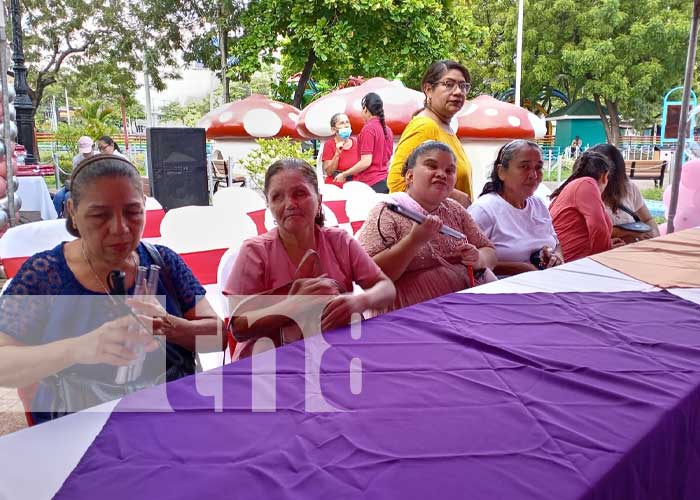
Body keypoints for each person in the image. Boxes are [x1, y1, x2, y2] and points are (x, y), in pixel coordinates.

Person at [0, 155, 222, 424]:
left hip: (170, 423)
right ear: (72, 210)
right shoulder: (45, 274)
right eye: (100, 215)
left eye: (132, 212)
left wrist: (169, 326)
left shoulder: (162, 262)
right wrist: (81, 348)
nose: (120, 229)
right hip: (77, 434)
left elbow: (219, 337)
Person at [224, 158, 395, 360]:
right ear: (269, 205)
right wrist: (296, 305)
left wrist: (359, 302)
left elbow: (386, 288)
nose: (290, 204)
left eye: (300, 193)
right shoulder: (254, 252)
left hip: (333, 357)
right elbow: (238, 327)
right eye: (277, 197)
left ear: (319, 200)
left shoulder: (339, 241)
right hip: (270, 367)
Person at [357, 141, 496, 315]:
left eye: (449, 170)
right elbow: (370, 277)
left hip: (463, 310)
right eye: (431, 166)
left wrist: (478, 259)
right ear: (409, 176)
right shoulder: (388, 211)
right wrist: (413, 241)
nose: (442, 174)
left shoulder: (454, 209)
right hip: (407, 318)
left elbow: (489, 250)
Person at [468, 140, 564, 275]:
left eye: (538, 167)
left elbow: (556, 243)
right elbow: (467, 260)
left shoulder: (539, 205)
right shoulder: (484, 210)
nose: (533, 175)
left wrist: (557, 257)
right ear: (501, 172)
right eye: (524, 167)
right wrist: (521, 268)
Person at [387, 60, 473, 207]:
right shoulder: (424, 127)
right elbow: (397, 182)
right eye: (448, 84)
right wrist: (454, 197)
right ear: (428, 89)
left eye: (463, 86)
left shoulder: (446, 128)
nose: (458, 92)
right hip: (431, 226)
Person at [549, 151, 619, 261]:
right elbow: (598, 228)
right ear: (605, 176)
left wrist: (608, 243)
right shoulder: (587, 183)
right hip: (570, 263)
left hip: (567, 260)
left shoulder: (573, 187)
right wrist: (606, 255)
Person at [588, 143, 660, 243]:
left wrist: (653, 235)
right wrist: (627, 232)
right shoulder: (584, 193)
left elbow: (648, 219)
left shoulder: (629, 188)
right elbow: (586, 233)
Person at [334, 92, 394, 193]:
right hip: (385, 181)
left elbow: (366, 162)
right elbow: (388, 160)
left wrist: (344, 174)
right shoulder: (388, 130)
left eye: (362, 109)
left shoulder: (368, 129)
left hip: (371, 184)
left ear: (365, 109)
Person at [321, 113, 360, 187]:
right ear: (333, 129)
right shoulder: (329, 144)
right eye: (342, 123)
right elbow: (329, 172)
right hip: (335, 186)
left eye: (347, 122)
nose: (346, 125)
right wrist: (337, 153)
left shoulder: (357, 142)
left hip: (355, 186)